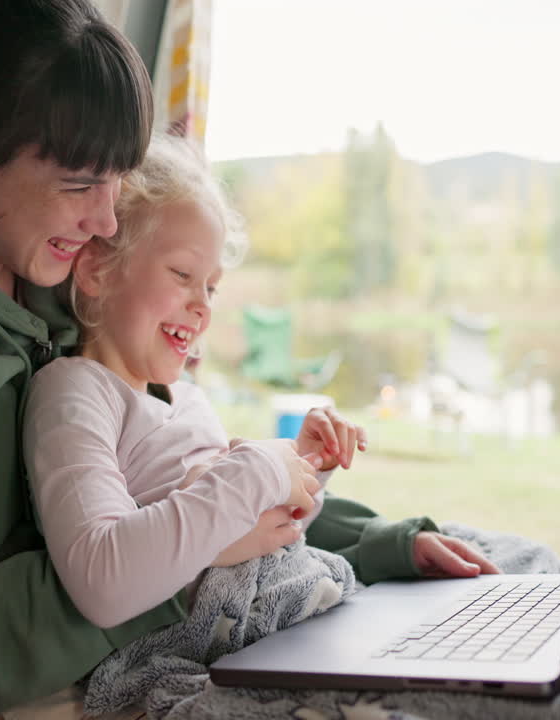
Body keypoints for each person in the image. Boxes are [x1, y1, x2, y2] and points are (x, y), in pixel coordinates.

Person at [0, 1, 496, 718]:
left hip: (204, 609)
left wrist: (381, 545)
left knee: (508, 596)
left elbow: (179, 468)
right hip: (100, 675)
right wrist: (197, 558)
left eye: (118, 182)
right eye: (80, 184)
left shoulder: (44, 284)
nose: (105, 220)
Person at [25, 135, 377, 628]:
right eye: (182, 274)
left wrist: (303, 468)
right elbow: (104, 581)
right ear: (96, 269)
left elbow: (255, 530)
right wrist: (257, 472)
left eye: (211, 287)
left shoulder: (188, 401)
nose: (204, 306)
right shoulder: (75, 392)